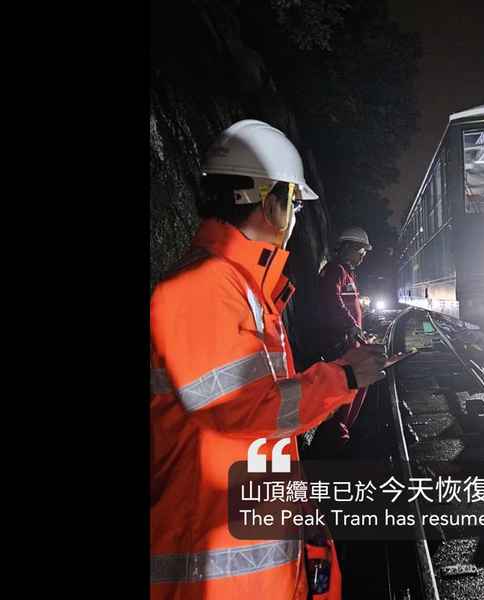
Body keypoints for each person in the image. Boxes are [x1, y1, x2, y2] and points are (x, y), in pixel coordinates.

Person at [150, 120, 387, 599]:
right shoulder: (201, 289)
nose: (295, 219)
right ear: (269, 200)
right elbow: (241, 409)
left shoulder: (244, 290)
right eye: (294, 203)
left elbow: (263, 428)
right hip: (212, 574)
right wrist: (342, 376)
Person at [307, 226, 375, 457]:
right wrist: (350, 325)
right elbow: (330, 298)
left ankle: (341, 432)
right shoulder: (335, 271)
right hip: (338, 342)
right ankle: (334, 439)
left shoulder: (346, 273)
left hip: (347, 341)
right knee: (346, 389)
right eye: (361, 251)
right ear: (348, 248)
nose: (362, 257)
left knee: (357, 385)